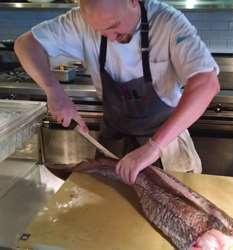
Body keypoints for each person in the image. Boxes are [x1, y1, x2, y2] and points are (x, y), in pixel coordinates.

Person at [14, 0, 220, 184]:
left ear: (133, 2)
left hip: (167, 144)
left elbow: (206, 83)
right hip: (113, 143)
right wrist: (53, 90)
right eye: (101, 32)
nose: (111, 38)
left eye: (114, 27)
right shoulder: (80, 21)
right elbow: (26, 44)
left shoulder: (168, 22)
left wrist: (154, 146)